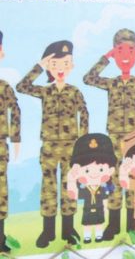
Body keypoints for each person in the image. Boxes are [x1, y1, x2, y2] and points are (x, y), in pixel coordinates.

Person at [16, 40, 89, 247]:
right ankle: (47, 232)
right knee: (48, 189)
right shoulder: (45, 91)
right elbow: (22, 86)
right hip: (49, 146)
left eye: (65, 64)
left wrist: (82, 146)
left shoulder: (74, 92)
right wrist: (40, 65)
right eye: (55, 65)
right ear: (49, 67)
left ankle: (68, 230)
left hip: (71, 147)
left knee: (69, 187)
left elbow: (83, 116)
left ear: (72, 66)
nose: (60, 69)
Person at [83, 28, 135, 239]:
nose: (124, 56)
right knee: (113, 182)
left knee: (133, 182)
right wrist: (106, 56)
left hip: (134, 141)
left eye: (130, 50)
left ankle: (132, 224)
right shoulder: (111, 83)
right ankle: (113, 226)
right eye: (119, 51)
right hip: (113, 138)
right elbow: (89, 77)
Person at [66, 133, 116, 243]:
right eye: (87, 170)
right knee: (87, 224)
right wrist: (71, 180)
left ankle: (99, 236)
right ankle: (87, 237)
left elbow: (110, 191)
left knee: (99, 224)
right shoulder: (83, 187)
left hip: (99, 210)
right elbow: (73, 194)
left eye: (101, 169)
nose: (94, 174)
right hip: (87, 211)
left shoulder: (102, 187)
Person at [0, 31, 20, 252]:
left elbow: (15, 111)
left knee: (0, 195)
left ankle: (0, 241)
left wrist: (16, 138)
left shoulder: (4, 87)